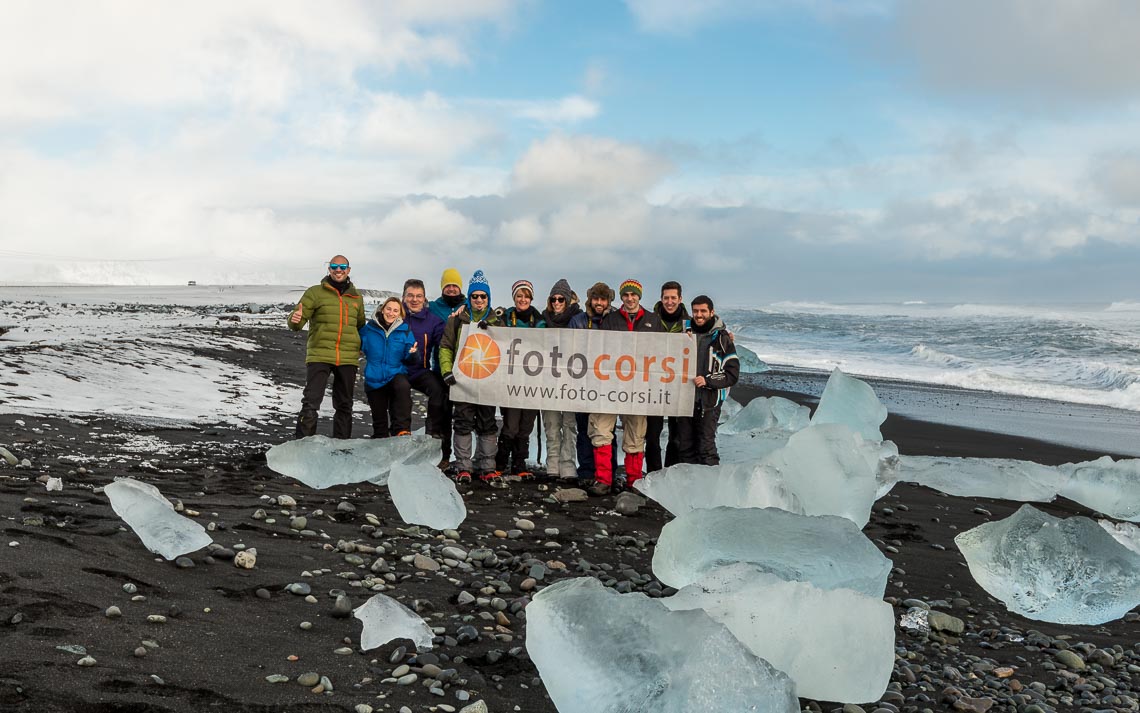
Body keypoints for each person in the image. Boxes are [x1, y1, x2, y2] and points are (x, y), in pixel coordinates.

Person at [587, 278, 663, 495]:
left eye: (633, 295)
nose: (630, 299)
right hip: (610, 386)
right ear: (621, 297)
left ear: (639, 296)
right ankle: (603, 480)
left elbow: (663, 351)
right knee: (601, 429)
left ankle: (634, 481)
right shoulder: (610, 319)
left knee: (636, 433)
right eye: (626, 295)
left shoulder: (652, 320)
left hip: (639, 388)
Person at [439, 270, 505, 487]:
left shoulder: (497, 321)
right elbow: (446, 347)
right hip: (463, 381)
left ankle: (487, 466)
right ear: (469, 297)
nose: (478, 300)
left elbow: (506, 350)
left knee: (487, 423)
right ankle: (464, 466)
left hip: (487, 381)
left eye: (482, 296)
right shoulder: (457, 320)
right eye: (475, 296)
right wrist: (447, 371)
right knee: (463, 422)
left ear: (488, 298)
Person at [288, 256, 366, 439]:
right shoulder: (315, 292)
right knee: (311, 402)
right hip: (320, 355)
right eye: (334, 266)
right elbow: (296, 323)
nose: (338, 270)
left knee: (345, 405)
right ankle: (302, 447)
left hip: (347, 358)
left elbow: (361, 326)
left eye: (342, 267)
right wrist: (294, 320)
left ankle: (341, 448)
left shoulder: (356, 298)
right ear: (329, 269)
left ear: (348, 270)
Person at [675, 295, 739, 466]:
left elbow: (732, 373)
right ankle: (688, 486)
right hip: (685, 400)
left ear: (712, 312)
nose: (699, 314)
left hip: (709, 402)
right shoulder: (683, 335)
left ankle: (711, 486)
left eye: (703, 311)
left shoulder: (722, 339)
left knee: (706, 447)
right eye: (695, 311)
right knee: (685, 447)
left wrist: (708, 380)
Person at [495, 280, 545, 478]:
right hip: (511, 380)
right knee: (511, 425)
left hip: (532, 380)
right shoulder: (505, 318)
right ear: (514, 298)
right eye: (519, 296)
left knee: (526, 426)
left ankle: (519, 463)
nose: (523, 299)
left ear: (531, 298)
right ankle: (500, 462)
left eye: (526, 296)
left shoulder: (540, 321)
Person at [568, 281, 618, 484]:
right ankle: (587, 471)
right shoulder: (578, 321)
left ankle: (609, 472)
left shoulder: (615, 320)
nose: (599, 302)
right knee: (584, 430)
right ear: (590, 299)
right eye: (595, 298)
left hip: (608, 386)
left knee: (608, 432)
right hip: (583, 385)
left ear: (608, 301)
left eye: (603, 299)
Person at [401, 278, 449, 468]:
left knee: (439, 390)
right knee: (400, 390)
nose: (414, 299)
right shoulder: (397, 315)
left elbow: (446, 343)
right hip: (398, 370)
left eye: (418, 296)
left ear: (424, 298)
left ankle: (432, 436)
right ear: (404, 297)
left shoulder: (433, 321)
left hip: (420, 370)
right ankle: (401, 437)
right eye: (410, 296)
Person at [645, 280, 690, 473]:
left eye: (673, 298)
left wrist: (725, 335)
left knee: (677, 436)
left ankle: (670, 474)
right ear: (661, 299)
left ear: (680, 299)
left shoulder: (690, 322)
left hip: (679, 387)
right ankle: (654, 474)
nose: (669, 302)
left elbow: (711, 331)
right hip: (653, 386)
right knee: (652, 435)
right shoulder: (650, 320)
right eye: (666, 298)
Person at [540, 279, 582, 481]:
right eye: (553, 299)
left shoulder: (578, 320)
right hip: (549, 380)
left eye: (561, 299)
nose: (557, 303)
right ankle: (552, 463)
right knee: (551, 423)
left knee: (569, 424)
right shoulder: (543, 321)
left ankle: (567, 464)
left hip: (572, 380)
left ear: (567, 300)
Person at [359, 297, 418, 438]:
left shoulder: (405, 331)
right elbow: (357, 345)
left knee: (402, 386)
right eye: (389, 309)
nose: (391, 313)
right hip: (374, 378)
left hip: (395, 374)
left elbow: (411, 357)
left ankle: (402, 430)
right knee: (380, 426)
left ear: (400, 314)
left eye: (395, 310)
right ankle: (380, 439)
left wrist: (413, 354)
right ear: (382, 309)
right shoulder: (368, 330)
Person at [427, 268, 465, 467]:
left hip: (467, 369)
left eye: (455, 285)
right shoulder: (433, 307)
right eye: (448, 285)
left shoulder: (468, 305)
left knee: (462, 415)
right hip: (440, 368)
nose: (451, 289)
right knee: (441, 412)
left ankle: (462, 458)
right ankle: (442, 456)